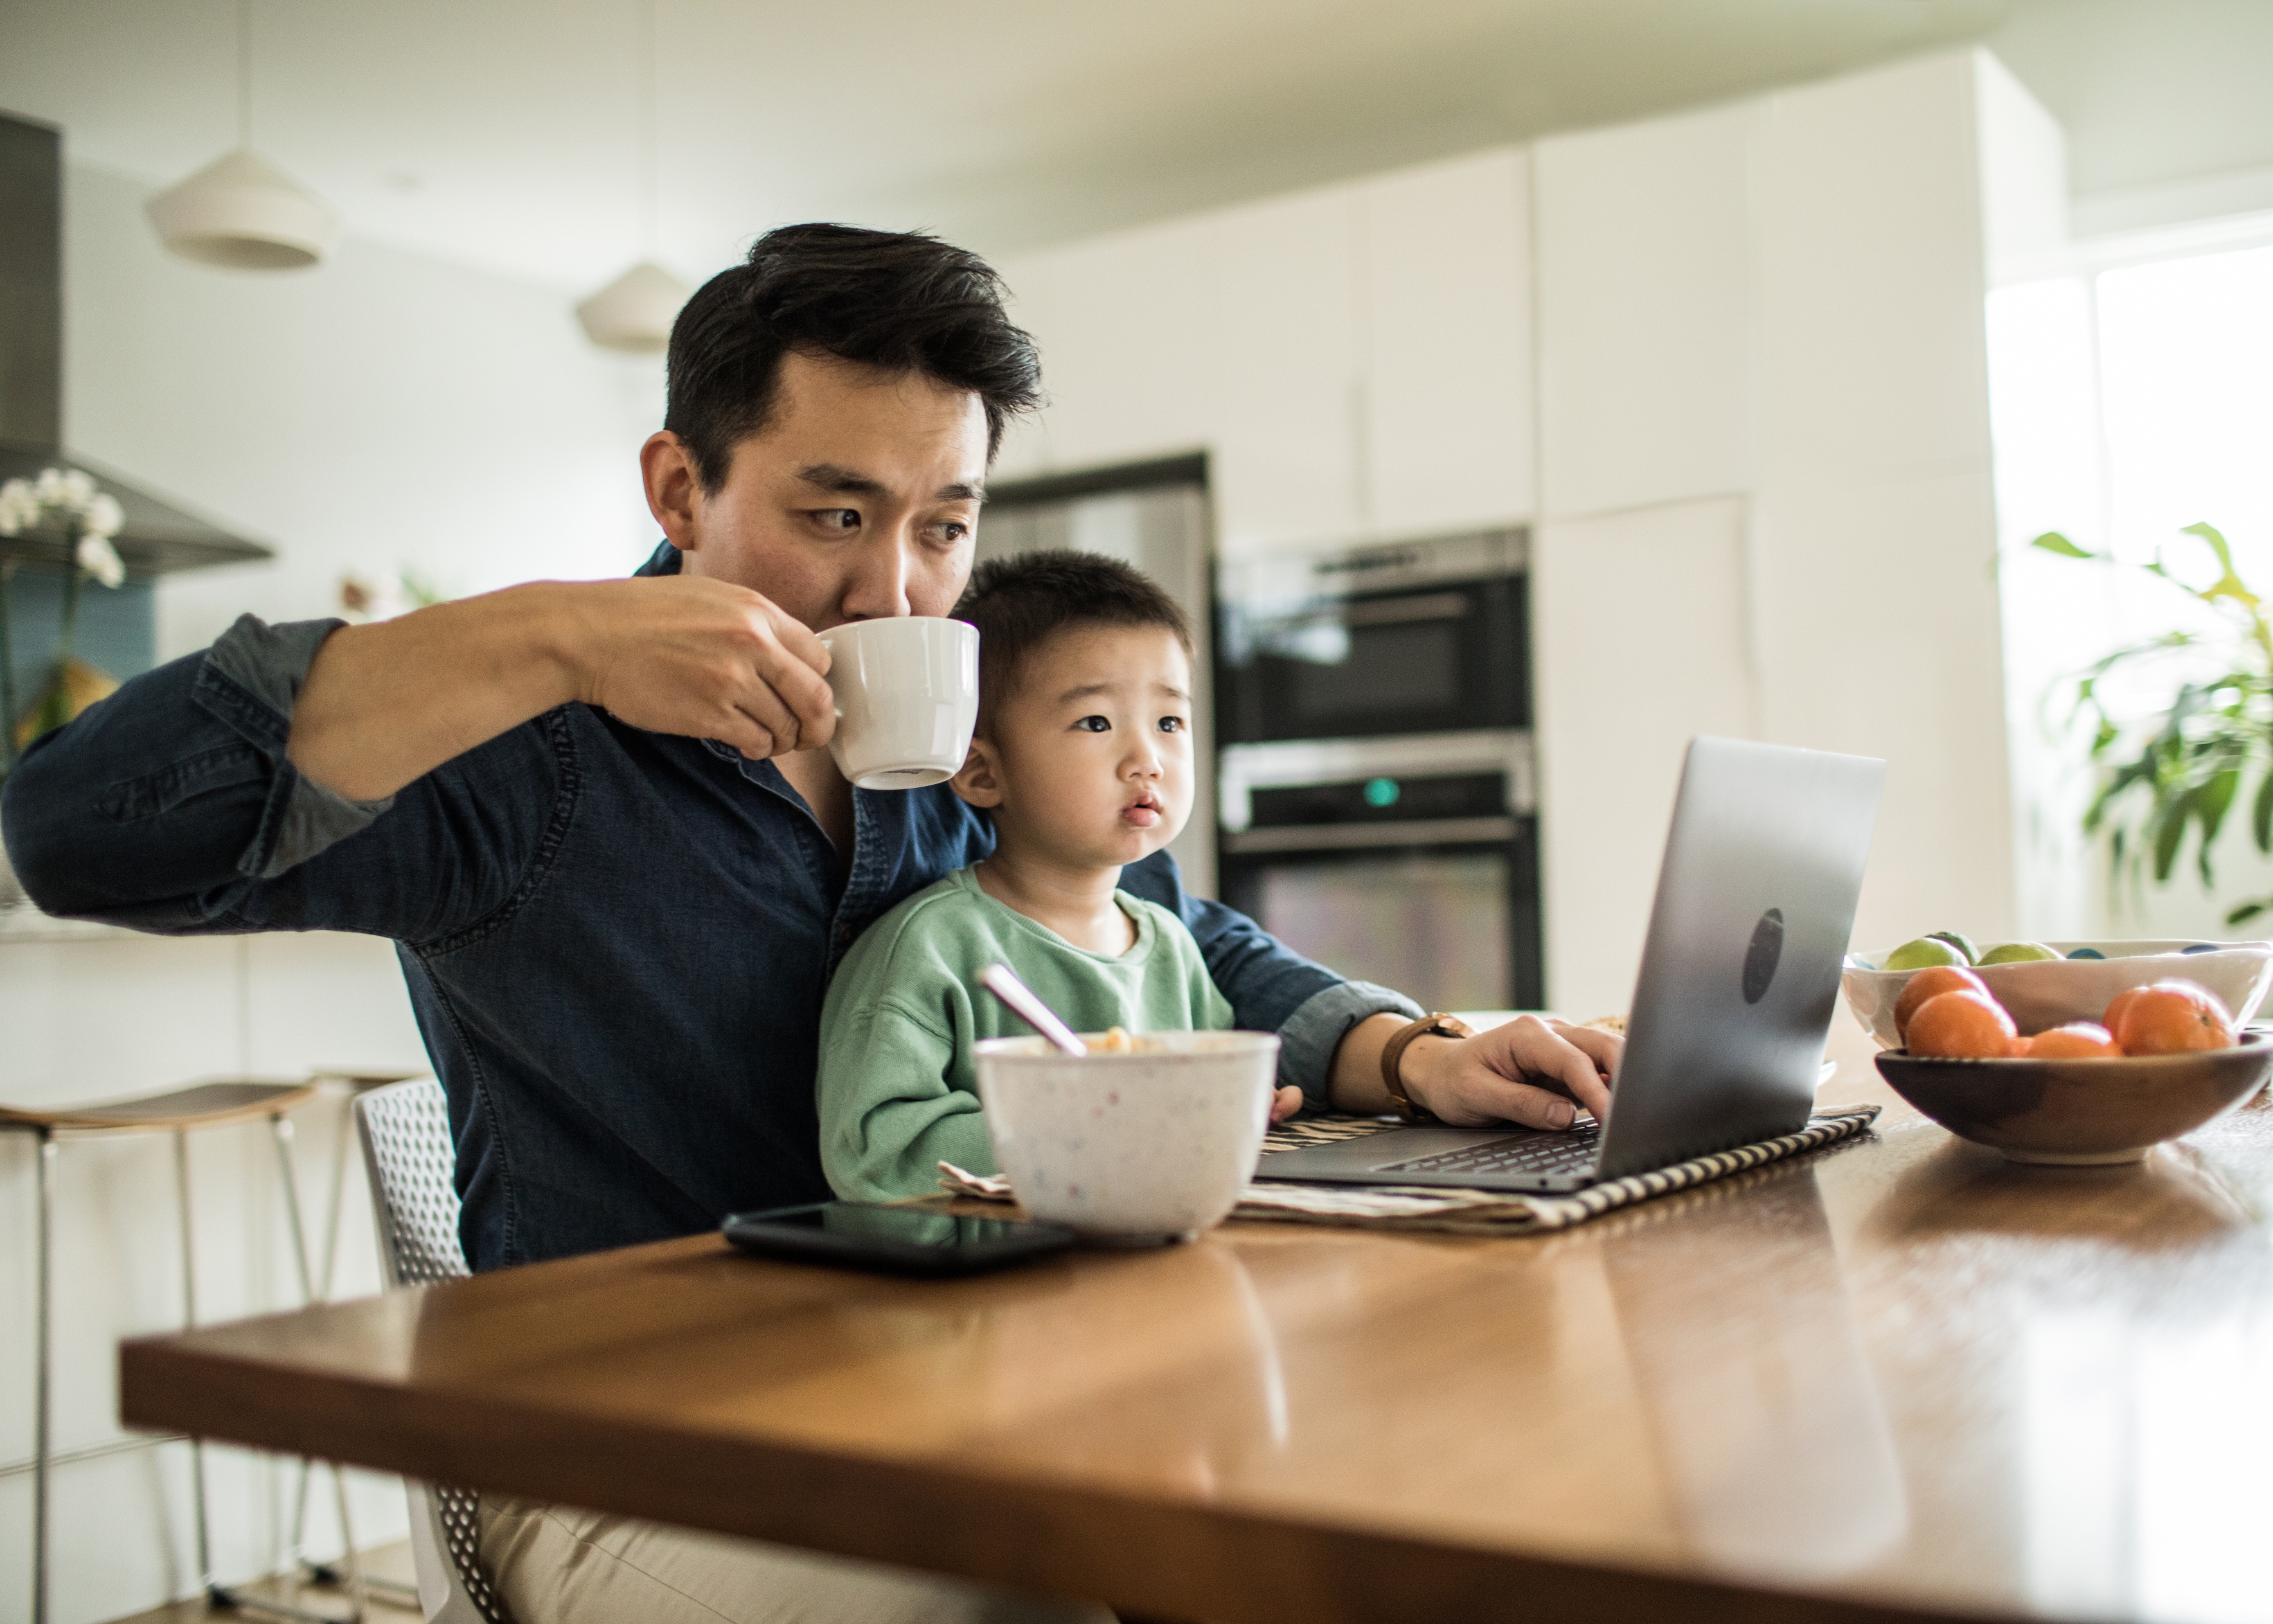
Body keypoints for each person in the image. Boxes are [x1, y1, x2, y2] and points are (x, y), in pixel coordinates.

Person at [1, 222, 1619, 1623]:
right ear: (677, 485)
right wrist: (563, 633)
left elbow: (1171, 932)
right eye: (835, 515)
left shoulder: (957, 752)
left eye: (945, 524)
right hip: (627, 1451)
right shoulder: (519, 761)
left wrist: (1409, 1055)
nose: (901, 594)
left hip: (965, 1380)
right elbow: (74, 831)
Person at [821, 551, 1282, 1201]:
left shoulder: (1171, 946)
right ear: (983, 773)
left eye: (1169, 721)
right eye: (1095, 722)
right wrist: (1099, 1128)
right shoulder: (930, 948)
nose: (1146, 758)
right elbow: (878, 1156)